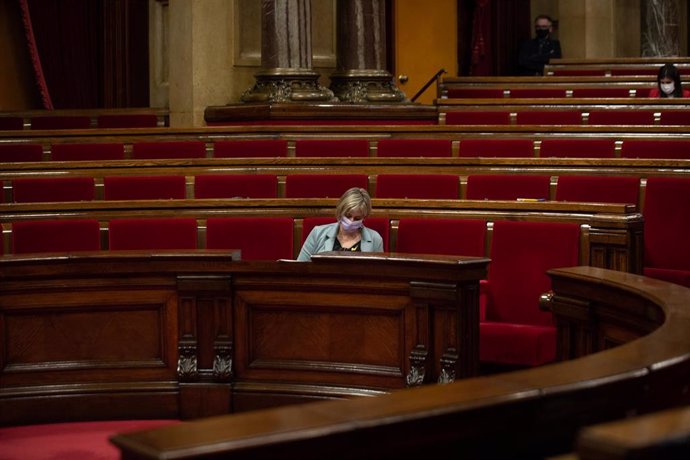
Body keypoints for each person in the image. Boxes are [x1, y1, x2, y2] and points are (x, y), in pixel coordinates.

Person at [297, 187, 384, 261]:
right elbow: (300, 269)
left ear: (364, 217)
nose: (351, 221)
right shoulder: (317, 233)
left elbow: (379, 275)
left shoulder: (375, 239)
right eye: (348, 215)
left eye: (357, 218)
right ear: (341, 211)